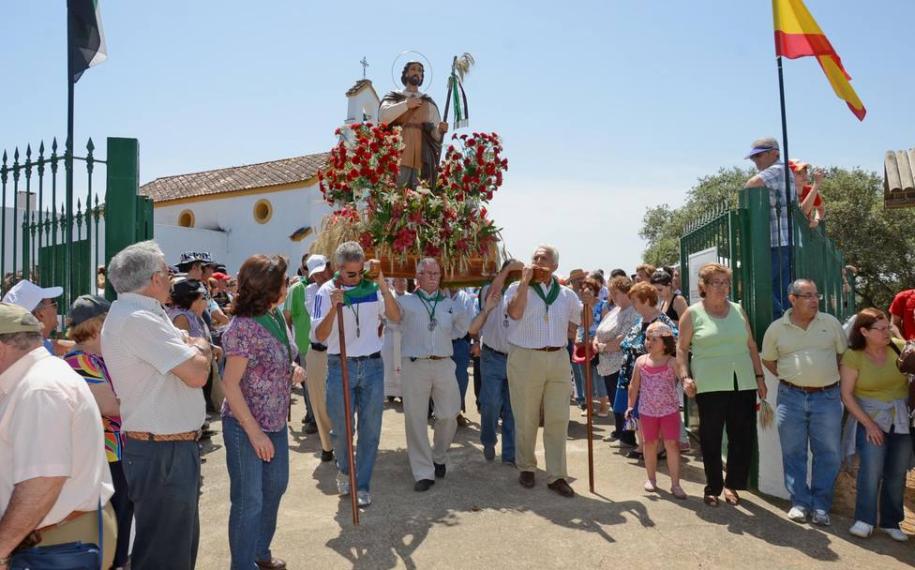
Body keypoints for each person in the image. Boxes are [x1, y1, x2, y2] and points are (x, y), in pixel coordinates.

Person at [101, 240, 213, 570]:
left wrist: (196, 349)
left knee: (176, 549)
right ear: (154, 279)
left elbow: (192, 359)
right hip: (162, 452)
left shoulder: (147, 314)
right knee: (165, 556)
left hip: (170, 448)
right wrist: (203, 346)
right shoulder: (138, 319)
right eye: (167, 272)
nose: (172, 279)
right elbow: (196, 373)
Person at [0, 304, 117, 569]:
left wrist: (1, 547)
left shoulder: (39, 389)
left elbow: (43, 482)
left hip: (55, 544)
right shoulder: (32, 381)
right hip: (48, 540)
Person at [221, 255, 305, 569]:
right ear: (267, 289)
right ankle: (243, 564)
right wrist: (254, 433)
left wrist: (293, 368)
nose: (288, 285)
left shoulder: (274, 317)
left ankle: (259, 552)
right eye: (283, 281)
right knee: (249, 499)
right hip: (245, 426)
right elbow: (230, 384)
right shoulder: (242, 328)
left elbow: (280, 358)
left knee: (275, 486)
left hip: (275, 421)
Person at [312, 242, 400, 505]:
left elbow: (396, 316)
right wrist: (332, 308)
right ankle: (344, 469)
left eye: (360, 271)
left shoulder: (373, 287)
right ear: (338, 269)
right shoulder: (324, 292)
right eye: (351, 273)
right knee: (341, 429)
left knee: (370, 429)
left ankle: (362, 485)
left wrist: (383, 284)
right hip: (341, 366)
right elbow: (319, 335)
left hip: (372, 366)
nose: (357, 277)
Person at [676, 263, 767, 507]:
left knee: (742, 436)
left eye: (725, 282)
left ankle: (732, 485)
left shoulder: (738, 310)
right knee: (711, 436)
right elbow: (681, 348)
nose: (722, 287)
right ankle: (713, 486)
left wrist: (760, 378)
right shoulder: (693, 313)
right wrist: (685, 376)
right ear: (703, 286)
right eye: (715, 282)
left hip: (743, 381)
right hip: (709, 383)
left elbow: (751, 346)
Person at [761, 279, 846, 526]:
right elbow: (768, 360)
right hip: (791, 397)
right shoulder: (777, 329)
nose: (814, 300)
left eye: (815, 295)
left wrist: (822, 376)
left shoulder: (830, 323)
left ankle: (820, 506)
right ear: (792, 299)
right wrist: (791, 377)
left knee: (828, 453)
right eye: (807, 295)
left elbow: (843, 355)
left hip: (828, 397)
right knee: (793, 452)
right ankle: (799, 502)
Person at [505, 245, 587, 497]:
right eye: (535, 257)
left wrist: (588, 306)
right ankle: (527, 466)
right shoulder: (517, 288)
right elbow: (515, 313)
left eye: (544, 258)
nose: (539, 261)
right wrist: (524, 282)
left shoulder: (566, 295)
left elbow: (581, 322)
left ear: (555, 266)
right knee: (527, 415)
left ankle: (557, 475)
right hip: (526, 356)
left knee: (558, 417)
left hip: (558, 357)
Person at [63, 294, 134, 569]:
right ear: (97, 326)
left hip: (115, 451)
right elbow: (113, 407)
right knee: (116, 517)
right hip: (108, 454)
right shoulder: (81, 361)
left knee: (123, 514)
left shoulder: (94, 358)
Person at [839, 308, 912, 542]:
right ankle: (864, 519)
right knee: (871, 471)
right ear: (864, 331)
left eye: (887, 328)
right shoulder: (854, 356)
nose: (886, 333)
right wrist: (869, 425)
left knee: (897, 473)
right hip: (869, 417)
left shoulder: (899, 347)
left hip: (901, 420)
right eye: (880, 329)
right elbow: (847, 395)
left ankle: (892, 522)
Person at [396, 258, 468, 492]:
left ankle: (438, 455)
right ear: (417, 277)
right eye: (427, 273)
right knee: (415, 419)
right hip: (415, 365)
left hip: (444, 364)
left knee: (449, 414)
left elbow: (461, 329)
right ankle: (423, 472)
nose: (433, 277)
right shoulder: (405, 302)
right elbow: (391, 318)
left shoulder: (450, 304)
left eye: (436, 273)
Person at [612, 282, 679, 460]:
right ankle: (643, 446)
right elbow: (627, 343)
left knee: (652, 413)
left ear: (647, 300)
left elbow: (672, 345)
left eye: (635, 301)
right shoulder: (640, 320)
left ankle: (657, 448)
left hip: (653, 377)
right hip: (631, 374)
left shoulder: (662, 321)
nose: (633, 305)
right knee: (637, 413)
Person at [468, 260, 522, 464]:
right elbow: (494, 289)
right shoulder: (490, 291)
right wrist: (507, 268)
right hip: (492, 356)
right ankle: (488, 440)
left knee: (513, 408)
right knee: (490, 403)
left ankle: (510, 453)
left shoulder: (522, 291)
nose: (515, 276)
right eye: (511, 272)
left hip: (516, 358)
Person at [626, 321, 687, 499]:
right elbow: (633, 386)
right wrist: (630, 406)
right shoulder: (641, 361)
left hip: (669, 411)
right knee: (649, 444)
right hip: (647, 412)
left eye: (654, 339)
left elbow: (683, 379)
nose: (649, 342)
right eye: (647, 338)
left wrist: (688, 384)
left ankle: (675, 484)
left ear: (666, 342)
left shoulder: (672, 362)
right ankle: (651, 479)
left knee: (672, 445)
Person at [744, 136, 795, 318]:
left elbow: (750, 185)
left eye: (758, 156)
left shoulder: (777, 169)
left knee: (760, 283)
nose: (755, 161)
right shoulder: (784, 171)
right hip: (784, 240)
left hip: (778, 240)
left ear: (774, 153)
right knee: (780, 288)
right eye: (753, 158)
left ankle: (781, 320)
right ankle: (784, 320)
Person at [379, 61, 448, 188]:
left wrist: (440, 130)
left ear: (422, 77)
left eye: (420, 71)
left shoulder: (428, 102)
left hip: (422, 155)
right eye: (413, 69)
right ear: (406, 74)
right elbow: (383, 117)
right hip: (399, 152)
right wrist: (406, 105)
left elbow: (436, 136)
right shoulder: (394, 97)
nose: (417, 72)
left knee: (419, 193)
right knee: (396, 189)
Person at [594, 276, 639, 443]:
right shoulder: (614, 311)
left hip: (622, 363)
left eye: (616, 292)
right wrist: (595, 343)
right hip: (607, 363)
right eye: (611, 292)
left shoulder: (633, 312)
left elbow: (624, 338)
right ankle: (619, 430)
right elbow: (599, 330)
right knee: (615, 401)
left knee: (624, 402)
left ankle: (628, 435)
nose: (612, 296)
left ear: (627, 292)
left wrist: (603, 347)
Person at [302, 254, 334, 440]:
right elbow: (316, 312)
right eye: (316, 275)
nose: (320, 278)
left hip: (334, 352)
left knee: (335, 400)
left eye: (322, 273)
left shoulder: (338, 287)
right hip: (316, 350)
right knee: (318, 400)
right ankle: (326, 444)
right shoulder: (311, 291)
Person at [572, 277, 610, 416]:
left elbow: (605, 325)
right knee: (585, 377)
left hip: (597, 343)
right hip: (582, 343)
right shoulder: (579, 306)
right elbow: (579, 324)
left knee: (599, 375)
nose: (586, 292)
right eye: (583, 289)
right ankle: (589, 406)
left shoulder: (603, 305)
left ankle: (604, 406)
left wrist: (597, 340)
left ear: (596, 291)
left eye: (590, 289)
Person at [1, 279, 65, 355]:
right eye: (53, 303)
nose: (56, 308)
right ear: (40, 314)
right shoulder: (41, 353)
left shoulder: (14, 349)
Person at [447, 287, 476, 426]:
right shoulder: (440, 293)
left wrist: (474, 341)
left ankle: (457, 412)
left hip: (460, 344)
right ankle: (441, 412)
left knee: (460, 379)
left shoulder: (465, 298)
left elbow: (472, 323)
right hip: (441, 344)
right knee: (440, 379)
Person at [383, 278, 408, 402]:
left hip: (404, 335)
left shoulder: (410, 298)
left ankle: (403, 393)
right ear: (394, 283)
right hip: (391, 334)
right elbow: (382, 314)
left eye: (404, 282)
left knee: (404, 363)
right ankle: (390, 392)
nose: (402, 283)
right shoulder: (389, 297)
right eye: (399, 282)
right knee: (389, 363)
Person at [788, 160, 826, 228]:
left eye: (805, 172)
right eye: (799, 173)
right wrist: (816, 184)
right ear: (789, 175)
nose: (804, 175)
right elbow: (801, 214)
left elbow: (821, 209)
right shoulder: (784, 192)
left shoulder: (810, 191)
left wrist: (817, 220)